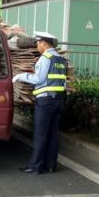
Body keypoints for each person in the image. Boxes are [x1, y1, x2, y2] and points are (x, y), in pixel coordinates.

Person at [13, 32, 68, 174]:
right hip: (59, 101)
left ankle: (35, 165)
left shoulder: (45, 58)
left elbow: (38, 79)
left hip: (45, 102)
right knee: (53, 134)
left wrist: (20, 76)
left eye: (38, 43)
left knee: (40, 134)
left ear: (44, 43)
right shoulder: (60, 59)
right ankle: (50, 165)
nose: (37, 46)